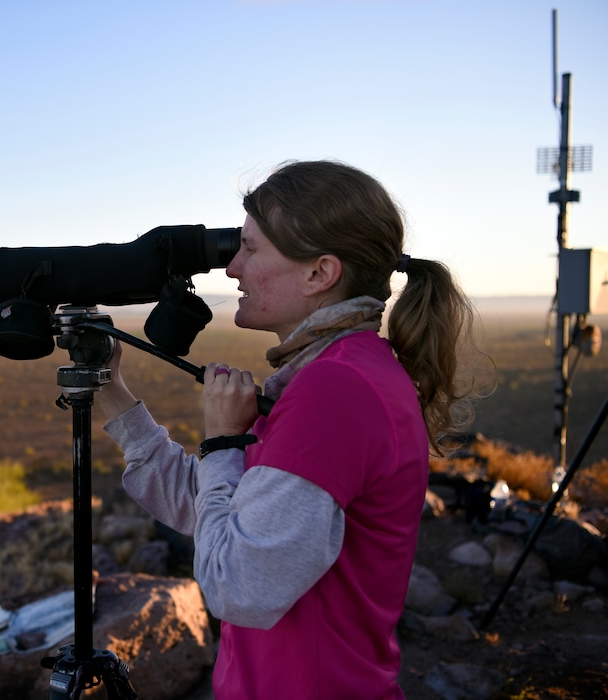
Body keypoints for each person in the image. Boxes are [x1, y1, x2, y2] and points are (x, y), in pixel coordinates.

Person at [96, 160, 480, 699]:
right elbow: (220, 514)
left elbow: (238, 586)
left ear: (319, 274)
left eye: (250, 248)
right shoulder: (335, 373)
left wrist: (225, 442)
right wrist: (114, 395)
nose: (231, 268)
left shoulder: (334, 392)